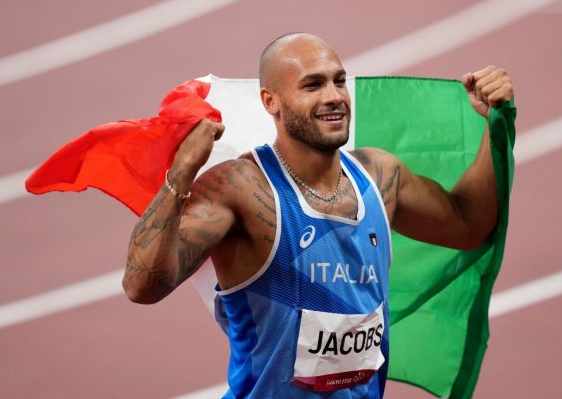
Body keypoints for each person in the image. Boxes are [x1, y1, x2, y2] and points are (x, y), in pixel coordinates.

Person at [123, 32, 513, 398]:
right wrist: (182, 174)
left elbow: (468, 224)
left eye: (339, 81)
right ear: (270, 101)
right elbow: (142, 287)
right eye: (313, 85)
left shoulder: (379, 176)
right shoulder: (240, 188)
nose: (335, 97)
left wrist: (493, 121)